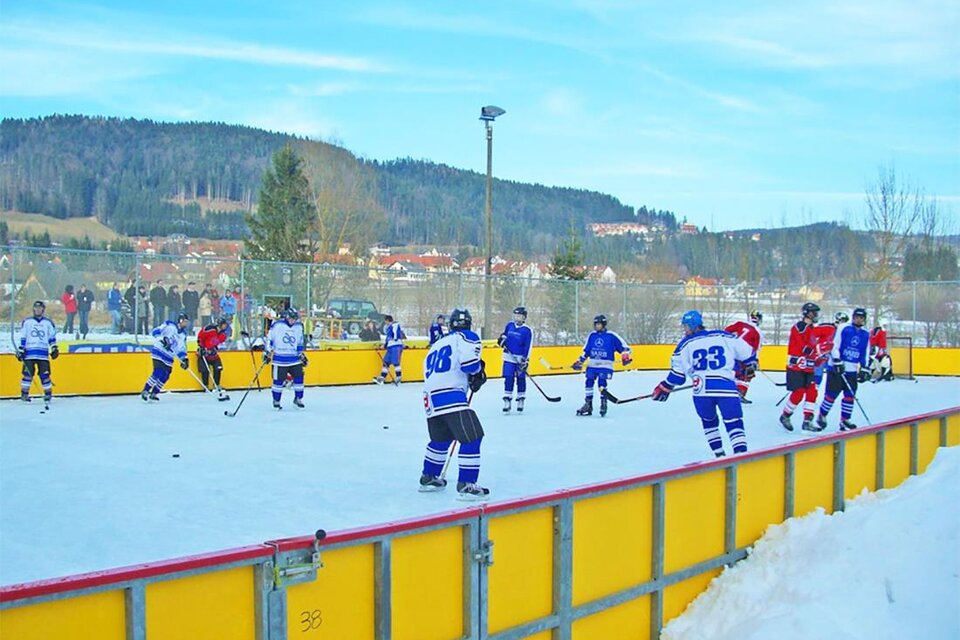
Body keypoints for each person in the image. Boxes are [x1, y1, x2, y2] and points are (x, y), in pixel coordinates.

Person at [652, 310, 756, 458]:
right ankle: (740, 455)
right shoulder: (723, 336)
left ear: (693, 326)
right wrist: (749, 365)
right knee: (734, 422)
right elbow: (748, 354)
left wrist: (664, 387)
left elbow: (678, 376)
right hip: (726, 388)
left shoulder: (685, 344)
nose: (684, 330)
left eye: (686, 326)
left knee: (709, 422)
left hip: (701, 392)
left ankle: (719, 455)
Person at [418, 307, 490, 500]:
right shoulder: (468, 336)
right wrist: (478, 372)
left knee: (441, 439)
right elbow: (469, 364)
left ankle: (429, 477)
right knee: (472, 437)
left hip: (430, 398)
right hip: (451, 394)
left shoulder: (437, 344)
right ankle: (467, 484)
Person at [816, 308, 870, 431]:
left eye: (861, 318)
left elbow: (865, 351)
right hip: (836, 368)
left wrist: (865, 367)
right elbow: (835, 345)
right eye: (857, 317)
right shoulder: (844, 328)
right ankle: (822, 415)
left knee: (850, 395)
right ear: (853, 318)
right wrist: (836, 360)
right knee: (831, 395)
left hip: (852, 369)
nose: (859, 320)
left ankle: (845, 419)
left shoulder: (866, 334)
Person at [571, 314, 632, 417]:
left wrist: (625, 357)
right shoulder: (592, 335)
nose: (597, 326)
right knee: (589, 381)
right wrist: (579, 362)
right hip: (592, 364)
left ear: (603, 324)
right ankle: (588, 404)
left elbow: (624, 347)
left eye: (599, 324)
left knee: (601, 383)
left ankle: (603, 403)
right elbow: (586, 351)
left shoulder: (611, 336)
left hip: (605, 365)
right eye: (596, 324)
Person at [779, 302, 824, 432]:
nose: (816, 315)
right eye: (813, 312)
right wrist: (813, 351)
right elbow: (801, 345)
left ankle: (807, 421)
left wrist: (819, 356)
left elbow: (815, 346)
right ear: (806, 313)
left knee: (812, 392)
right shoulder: (799, 327)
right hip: (796, 365)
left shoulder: (813, 329)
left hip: (808, 366)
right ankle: (785, 415)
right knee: (798, 393)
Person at [263, 307, 307, 409]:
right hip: (279, 359)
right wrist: (267, 352)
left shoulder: (298, 326)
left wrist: (301, 354)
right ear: (287, 317)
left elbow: (299, 342)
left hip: (294, 359)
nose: (293, 320)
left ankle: (298, 398)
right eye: (291, 318)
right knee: (278, 381)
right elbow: (270, 339)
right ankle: (276, 400)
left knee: (299, 379)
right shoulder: (277, 325)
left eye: (295, 318)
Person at [16, 300, 59, 404]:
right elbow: (23, 336)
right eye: (36, 308)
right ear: (33, 309)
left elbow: (51, 337)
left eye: (40, 308)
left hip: (42, 354)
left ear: (43, 309)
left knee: (45, 375)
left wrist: (54, 348)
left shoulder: (48, 323)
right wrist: (21, 349)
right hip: (29, 353)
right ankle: (24, 393)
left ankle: (48, 393)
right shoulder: (27, 322)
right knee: (27, 374)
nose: (38, 310)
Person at [141, 312, 189, 402]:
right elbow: (155, 331)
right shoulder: (170, 325)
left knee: (165, 375)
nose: (186, 323)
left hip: (169, 356)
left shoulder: (183, 335)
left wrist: (184, 359)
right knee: (158, 372)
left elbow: (181, 348)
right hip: (159, 351)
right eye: (185, 321)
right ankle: (145, 390)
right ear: (180, 320)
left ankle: (154, 393)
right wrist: (163, 339)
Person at [723, 310, 764, 403]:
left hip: (732, 351)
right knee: (747, 374)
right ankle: (739, 394)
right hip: (745, 354)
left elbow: (726, 330)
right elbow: (756, 348)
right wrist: (755, 361)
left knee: (735, 372)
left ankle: (729, 391)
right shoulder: (758, 332)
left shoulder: (741, 323)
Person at [498, 306, 533, 413]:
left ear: (524, 318)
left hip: (520, 358)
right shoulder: (509, 325)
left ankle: (520, 399)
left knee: (521, 378)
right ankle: (507, 400)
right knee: (508, 377)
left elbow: (528, 346)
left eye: (520, 316)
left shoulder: (527, 330)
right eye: (516, 315)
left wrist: (525, 359)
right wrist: (501, 341)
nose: (517, 318)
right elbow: (504, 336)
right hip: (508, 357)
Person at [197, 317, 231, 401]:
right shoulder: (210, 329)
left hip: (213, 354)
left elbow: (218, 342)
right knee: (205, 370)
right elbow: (200, 337)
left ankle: (216, 385)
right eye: (224, 324)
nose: (225, 326)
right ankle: (206, 386)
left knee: (218, 368)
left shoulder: (223, 334)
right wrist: (201, 346)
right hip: (204, 353)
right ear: (220, 324)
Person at [373, 314, 405, 385]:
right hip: (390, 347)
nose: (385, 322)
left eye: (385, 321)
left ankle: (398, 377)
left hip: (396, 346)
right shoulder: (388, 328)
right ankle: (382, 378)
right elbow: (388, 338)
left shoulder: (395, 325)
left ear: (387, 320)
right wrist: (384, 345)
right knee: (386, 362)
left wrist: (395, 338)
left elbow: (395, 334)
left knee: (396, 362)